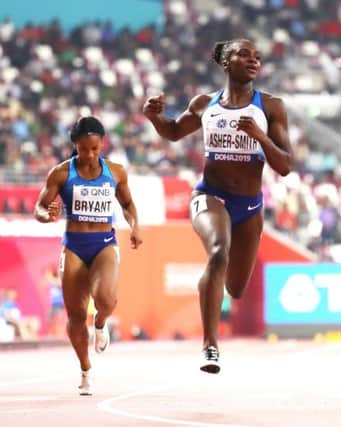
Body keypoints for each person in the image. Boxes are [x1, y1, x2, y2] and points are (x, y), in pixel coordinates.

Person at [143, 38, 292, 374]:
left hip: (250, 206)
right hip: (210, 195)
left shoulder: (270, 107)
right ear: (226, 63)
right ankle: (210, 345)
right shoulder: (204, 104)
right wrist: (155, 118)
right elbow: (173, 132)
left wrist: (260, 136)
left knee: (235, 287)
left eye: (257, 56)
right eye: (244, 54)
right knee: (218, 251)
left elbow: (284, 166)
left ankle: (212, 287)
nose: (253, 60)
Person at [34, 116, 142, 395]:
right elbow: (40, 207)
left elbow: (128, 204)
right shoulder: (61, 173)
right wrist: (48, 216)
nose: (90, 155)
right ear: (75, 146)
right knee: (76, 314)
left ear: (102, 145)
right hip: (74, 246)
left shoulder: (116, 172)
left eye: (95, 149)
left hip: (104, 241)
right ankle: (86, 370)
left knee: (106, 299)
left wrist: (135, 226)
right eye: (84, 150)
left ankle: (101, 322)